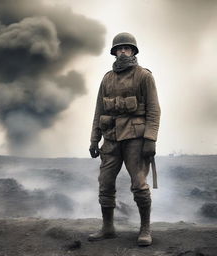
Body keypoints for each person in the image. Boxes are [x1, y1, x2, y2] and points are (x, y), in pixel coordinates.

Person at [88, 32, 161, 246]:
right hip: (110, 138)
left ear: (133, 51)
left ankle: (145, 229)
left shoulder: (144, 76)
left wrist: (150, 139)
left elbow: (154, 110)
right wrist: (94, 139)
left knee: (139, 185)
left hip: (136, 139)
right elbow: (98, 110)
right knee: (105, 183)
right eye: (119, 49)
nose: (122, 51)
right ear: (114, 52)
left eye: (126, 48)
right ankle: (108, 227)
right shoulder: (107, 78)